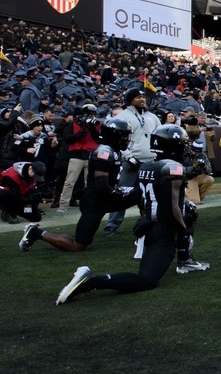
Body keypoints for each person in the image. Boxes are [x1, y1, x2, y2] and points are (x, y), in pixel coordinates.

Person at [55, 124, 210, 305]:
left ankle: (185, 260)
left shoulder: (147, 165)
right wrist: (182, 231)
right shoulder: (173, 168)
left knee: (187, 211)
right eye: (183, 144)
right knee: (146, 280)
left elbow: (143, 200)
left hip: (150, 226)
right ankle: (90, 281)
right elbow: (171, 207)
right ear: (173, 146)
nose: (186, 148)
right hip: (163, 229)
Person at [18, 119, 139, 253]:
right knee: (77, 245)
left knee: (142, 194)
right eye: (123, 135)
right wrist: (119, 193)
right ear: (113, 135)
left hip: (105, 198)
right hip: (96, 201)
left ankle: (147, 233)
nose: (126, 139)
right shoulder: (104, 153)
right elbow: (102, 187)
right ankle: (35, 232)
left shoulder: (112, 150)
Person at [102, 88, 161, 236]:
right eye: (138, 97)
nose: (142, 99)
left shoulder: (152, 117)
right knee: (123, 192)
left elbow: (158, 136)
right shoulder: (123, 116)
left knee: (152, 193)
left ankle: (151, 220)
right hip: (132, 159)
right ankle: (112, 224)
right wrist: (128, 156)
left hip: (151, 159)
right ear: (129, 100)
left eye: (143, 96)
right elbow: (118, 139)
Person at [54, 103, 100, 212]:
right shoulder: (73, 124)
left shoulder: (96, 124)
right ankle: (63, 204)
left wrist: (92, 129)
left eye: (92, 115)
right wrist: (78, 135)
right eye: (89, 115)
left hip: (90, 156)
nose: (91, 117)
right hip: (77, 156)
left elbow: (99, 139)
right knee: (69, 181)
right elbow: (66, 138)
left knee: (89, 183)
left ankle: (90, 203)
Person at [184, 140, 215, 205]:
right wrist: (192, 168)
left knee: (210, 179)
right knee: (196, 202)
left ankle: (197, 197)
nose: (197, 155)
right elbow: (180, 169)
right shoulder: (184, 154)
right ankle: (183, 198)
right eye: (195, 153)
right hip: (187, 178)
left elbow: (210, 170)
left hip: (197, 176)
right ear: (192, 150)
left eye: (199, 153)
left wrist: (204, 167)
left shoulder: (203, 155)